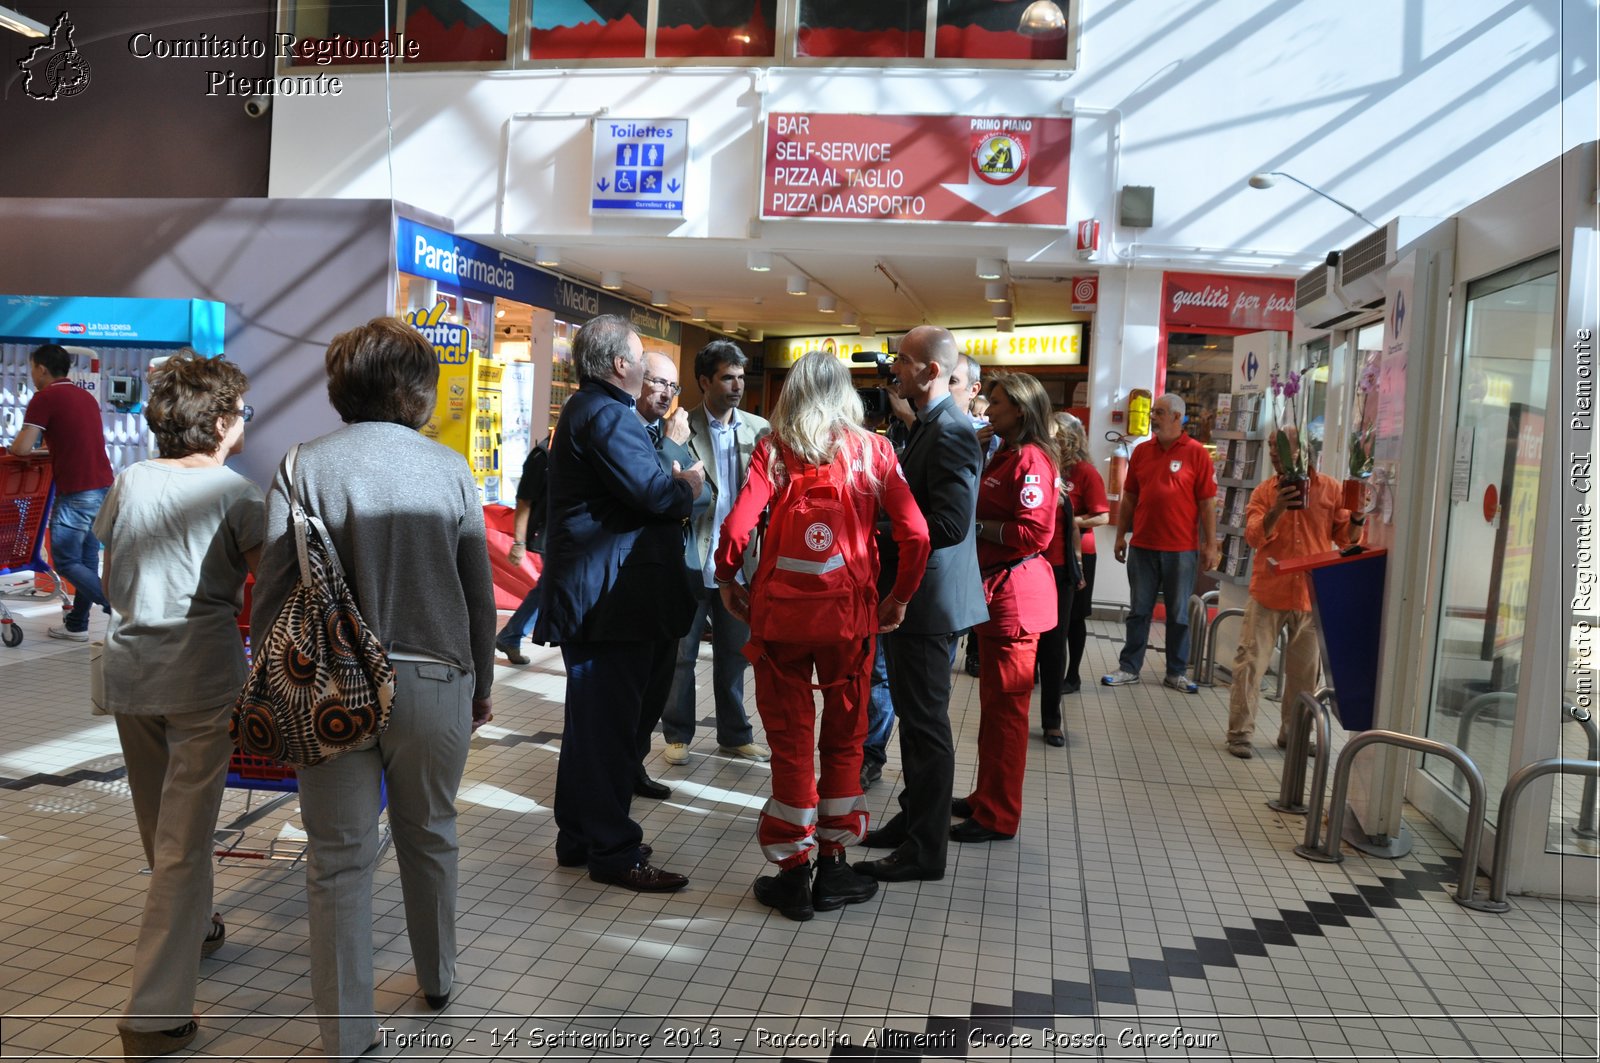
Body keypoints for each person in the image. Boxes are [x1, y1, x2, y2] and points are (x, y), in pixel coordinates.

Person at [250, 317, 498, 1061]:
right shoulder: (449, 468)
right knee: (432, 832)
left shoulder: (301, 465)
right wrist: (480, 682)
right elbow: (478, 593)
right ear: (416, 389)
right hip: (436, 678)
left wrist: (272, 675)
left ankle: (348, 1036)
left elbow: (273, 591)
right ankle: (438, 977)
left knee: (337, 859)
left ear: (341, 387)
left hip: (330, 683)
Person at [715, 351, 929, 921]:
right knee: (844, 740)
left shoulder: (773, 449)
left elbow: (739, 525)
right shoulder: (875, 451)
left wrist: (726, 577)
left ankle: (792, 875)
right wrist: (898, 598)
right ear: (846, 394)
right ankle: (833, 868)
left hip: (780, 620)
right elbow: (916, 533)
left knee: (789, 740)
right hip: (848, 621)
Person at [97, 353, 262, 1062]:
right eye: (243, 412)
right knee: (183, 840)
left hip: (130, 671)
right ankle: (155, 1015)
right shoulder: (237, 493)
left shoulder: (131, 479)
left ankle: (195, 926)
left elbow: (110, 566)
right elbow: (276, 576)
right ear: (223, 421)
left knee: (158, 823)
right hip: (201, 677)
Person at [537, 315, 704, 893]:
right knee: (608, 728)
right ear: (619, 365)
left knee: (591, 726)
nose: (648, 370)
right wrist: (690, 484)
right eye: (640, 357)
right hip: (610, 603)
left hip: (605, 599)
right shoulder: (608, 415)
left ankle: (580, 836)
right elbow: (656, 493)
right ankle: (612, 848)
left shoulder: (592, 411)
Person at [854, 326, 987, 884]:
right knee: (914, 718)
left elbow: (952, 524)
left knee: (927, 725)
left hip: (928, 603)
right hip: (919, 596)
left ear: (931, 371)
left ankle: (926, 849)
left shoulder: (951, 433)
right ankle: (913, 820)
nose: (894, 371)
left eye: (904, 362)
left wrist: (878, 529)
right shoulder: (929, 426)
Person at [951, 373, 1059, 844]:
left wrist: (980, 529)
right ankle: (985, 797)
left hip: (1015, 596)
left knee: (1008, 713)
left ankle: (999, 815)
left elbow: (1035, 533)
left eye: (995, 402)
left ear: (1019, 408)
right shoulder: (1003, 452)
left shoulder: (1031, 459)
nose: (987, 407)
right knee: (993, 708)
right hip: (995, 592)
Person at [660, 340, 771, 766]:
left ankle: (734, 734)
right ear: (704, 381)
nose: (738, 385)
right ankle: (677, 733)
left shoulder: (759, 430)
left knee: (734, 656)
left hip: (740, 565)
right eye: (728, 377)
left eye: (742, 377)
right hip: (692, 558)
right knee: (682, 655)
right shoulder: (682, 427)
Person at [1225, 428, 1360, 758]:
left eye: (1281, 447)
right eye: (1272, 447)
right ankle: (1239, 734)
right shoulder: (1263, 492)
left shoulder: (1330, 489)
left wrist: (1358, 515)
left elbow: (1347, 540)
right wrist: (1278, 509)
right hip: (1268, 592)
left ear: (1302, 450)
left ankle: (1295, 734)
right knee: (1250, 665)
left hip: (1310, 594)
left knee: (1304, 674)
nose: (1274, 453)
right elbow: (1255, 537)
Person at [1103, 393, 1218, 691]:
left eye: (1160, 412)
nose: (1153, 417)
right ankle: (1129, 667)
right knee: (1139, 611)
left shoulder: (1197, 453)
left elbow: (1207, 503)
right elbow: (1129, 497)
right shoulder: (1141, 452)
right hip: (1142, 546)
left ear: (1178, 418)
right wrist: (1120, 535)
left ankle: (1176, 672)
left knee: (1178, 614)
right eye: (1154, 411)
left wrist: (1211, 545)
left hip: (1182, 549)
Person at [635, 352, 708, 799]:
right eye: (657, 382)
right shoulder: (631, 430)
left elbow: (702, 498)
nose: (665, 393)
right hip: (632, 584)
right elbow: (658, 495)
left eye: (672, 387)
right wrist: (677, 453)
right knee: (632, 692)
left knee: (652, 688)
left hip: (665, 576)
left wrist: (684, 486)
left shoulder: (663, 432)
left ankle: (632, 767)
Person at [7, 342, 114, 641]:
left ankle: (115, 608)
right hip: (103, 486)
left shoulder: (45, 397)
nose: (32, 375)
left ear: (41, 368)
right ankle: (78, 624)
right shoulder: (85, 396)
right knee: (88, 559)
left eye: (31, 369)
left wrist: (31, 450)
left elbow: (21, 447)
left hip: (77, 490)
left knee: (66, 561)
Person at [1035, 413, 1109, 744]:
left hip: (1066, 562)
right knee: (1036, 641)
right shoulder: (1043, 465)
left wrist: (1076, 561)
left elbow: (1099, 517)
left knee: (1065, 629)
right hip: (1037, 563)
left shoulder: (1085, 473)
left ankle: (1060, 701)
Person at [1033, 417, 1085, 748]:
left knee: (1054, 647)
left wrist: (1077, 567)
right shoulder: (1027, 467)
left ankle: (1052, 721)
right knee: (1026, 652)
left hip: (1060, 573)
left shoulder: (1063, 478)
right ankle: (1009, 716)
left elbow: (1072, 527)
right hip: (1029, 571)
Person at [1056, 414, 1111, 695]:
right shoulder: (1052, 468)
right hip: (1053, 552)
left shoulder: (1086, 472)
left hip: (1080, 555)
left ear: (1070, 438)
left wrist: (1068, 520)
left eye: (1057, 434)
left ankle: (1072, 676)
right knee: (1052, 617)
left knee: (1075, 617)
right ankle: (1047, 671)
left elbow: (1102, 517)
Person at [494, 430, 552, 665]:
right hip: (553, 536)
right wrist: (518, 543)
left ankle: (511, 635)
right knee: (550, 588)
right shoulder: (544, 456)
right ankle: (511, 635)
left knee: (548, 588)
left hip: (569, 535)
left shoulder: (576, 448)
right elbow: (524, 500)